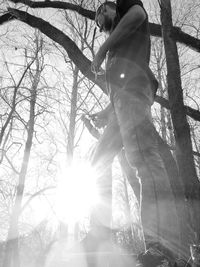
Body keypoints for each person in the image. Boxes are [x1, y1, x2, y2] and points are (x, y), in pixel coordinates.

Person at [90, 0, 183, 263]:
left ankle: (162, 248)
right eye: (97, 22)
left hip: (133, 93)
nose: (99, 21)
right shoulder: (120, 45)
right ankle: (98, 238)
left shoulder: (126, 11)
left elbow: (139, 13)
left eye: (100, 14)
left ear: (109, 8)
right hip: (122, 101)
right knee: (97, 160)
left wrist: (101, 50)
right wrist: (105, 113)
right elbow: (119, 84)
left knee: (143, 158)